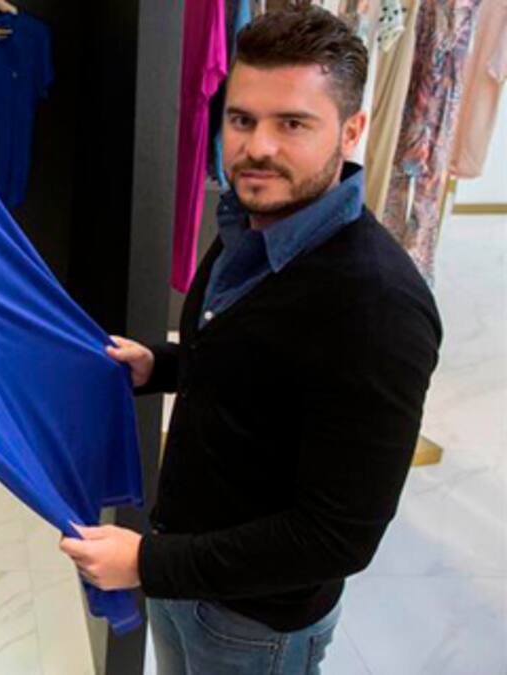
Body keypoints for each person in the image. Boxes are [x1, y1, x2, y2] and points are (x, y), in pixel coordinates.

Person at [59, 3, 442, 674]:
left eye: (292, 123)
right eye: (241, 120)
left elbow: (337, 537)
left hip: (255, 624)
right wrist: (163, 365)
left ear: (352, 130)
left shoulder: (378, 306)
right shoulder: (253, 221)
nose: (257, 146)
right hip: (186, 576)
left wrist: (150, 561)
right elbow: (261, 367)